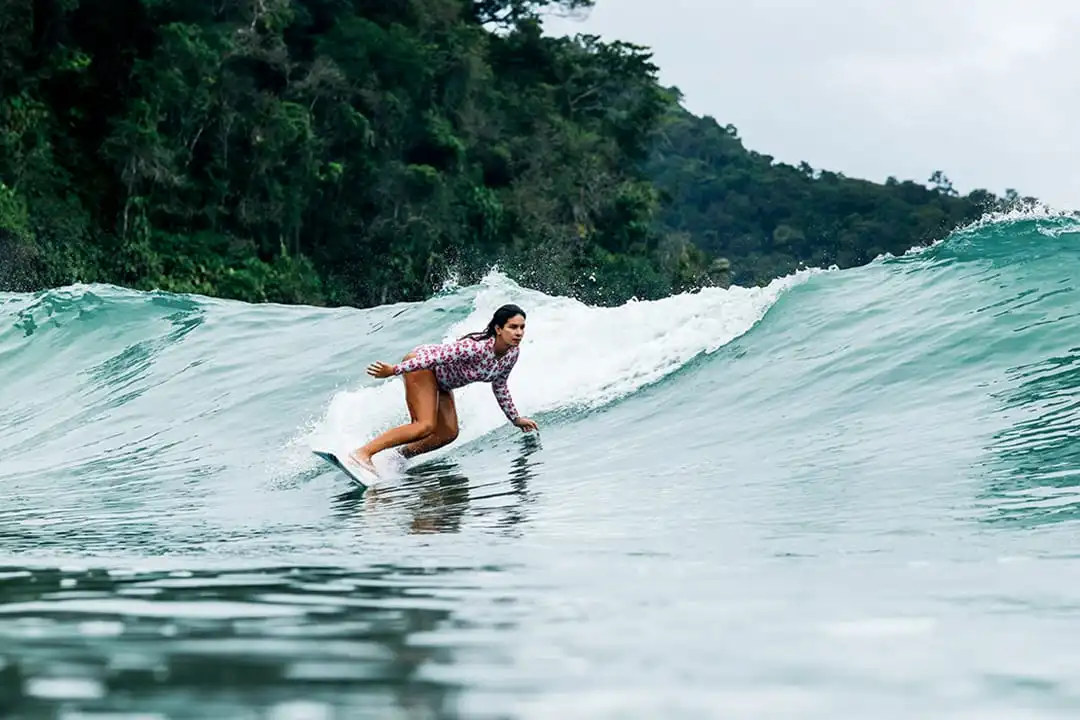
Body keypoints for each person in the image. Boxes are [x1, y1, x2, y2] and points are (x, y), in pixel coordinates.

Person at [347, 303, 538, 477]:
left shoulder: (511, 354)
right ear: (498, 329)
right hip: (424, 368)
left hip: (443, 383)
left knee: (448, 433)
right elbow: (435, 358)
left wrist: (515, 419)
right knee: (425, 425)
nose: (519, 332)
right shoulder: (475, 347)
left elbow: (500, 385)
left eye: (522, 327)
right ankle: (363, 453)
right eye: (513, 327)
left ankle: (396, 458)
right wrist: (395, 370)